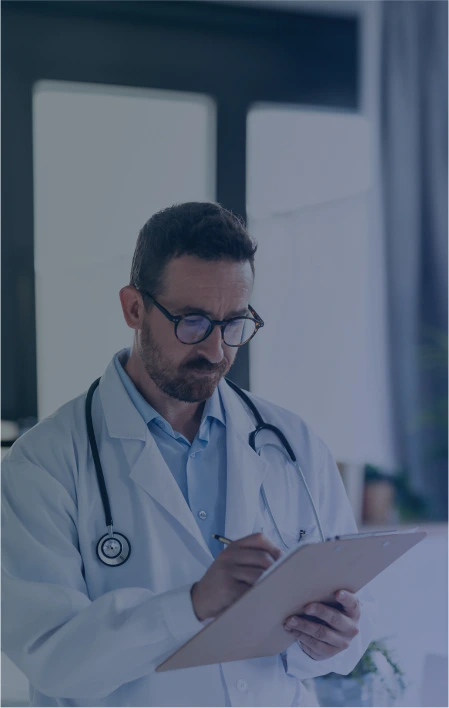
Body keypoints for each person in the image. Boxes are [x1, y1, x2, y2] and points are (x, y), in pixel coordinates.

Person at [2, 202, 375, 707]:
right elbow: (53, 659)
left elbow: (351, 619)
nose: (217, 351)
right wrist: (192, 605)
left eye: (234, 323)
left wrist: (332, 640)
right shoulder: (44, 464)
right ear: (134, 309)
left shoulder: (292, 442)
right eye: (193, 322)